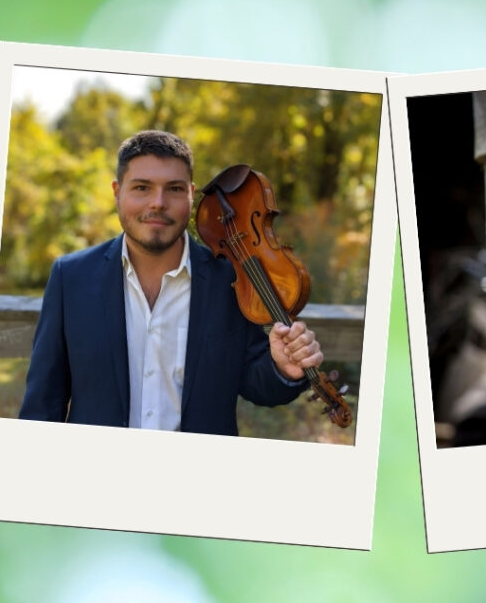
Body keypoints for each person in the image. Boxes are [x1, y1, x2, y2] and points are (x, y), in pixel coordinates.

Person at [19, 130, 323, 435]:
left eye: (174, 189)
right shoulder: (70, 277)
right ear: (117, 192)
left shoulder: (233, 279)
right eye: (141, 187)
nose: (158, 203)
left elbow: (257, 384)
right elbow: (42, 405)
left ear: (191, 195)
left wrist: (283, 368)